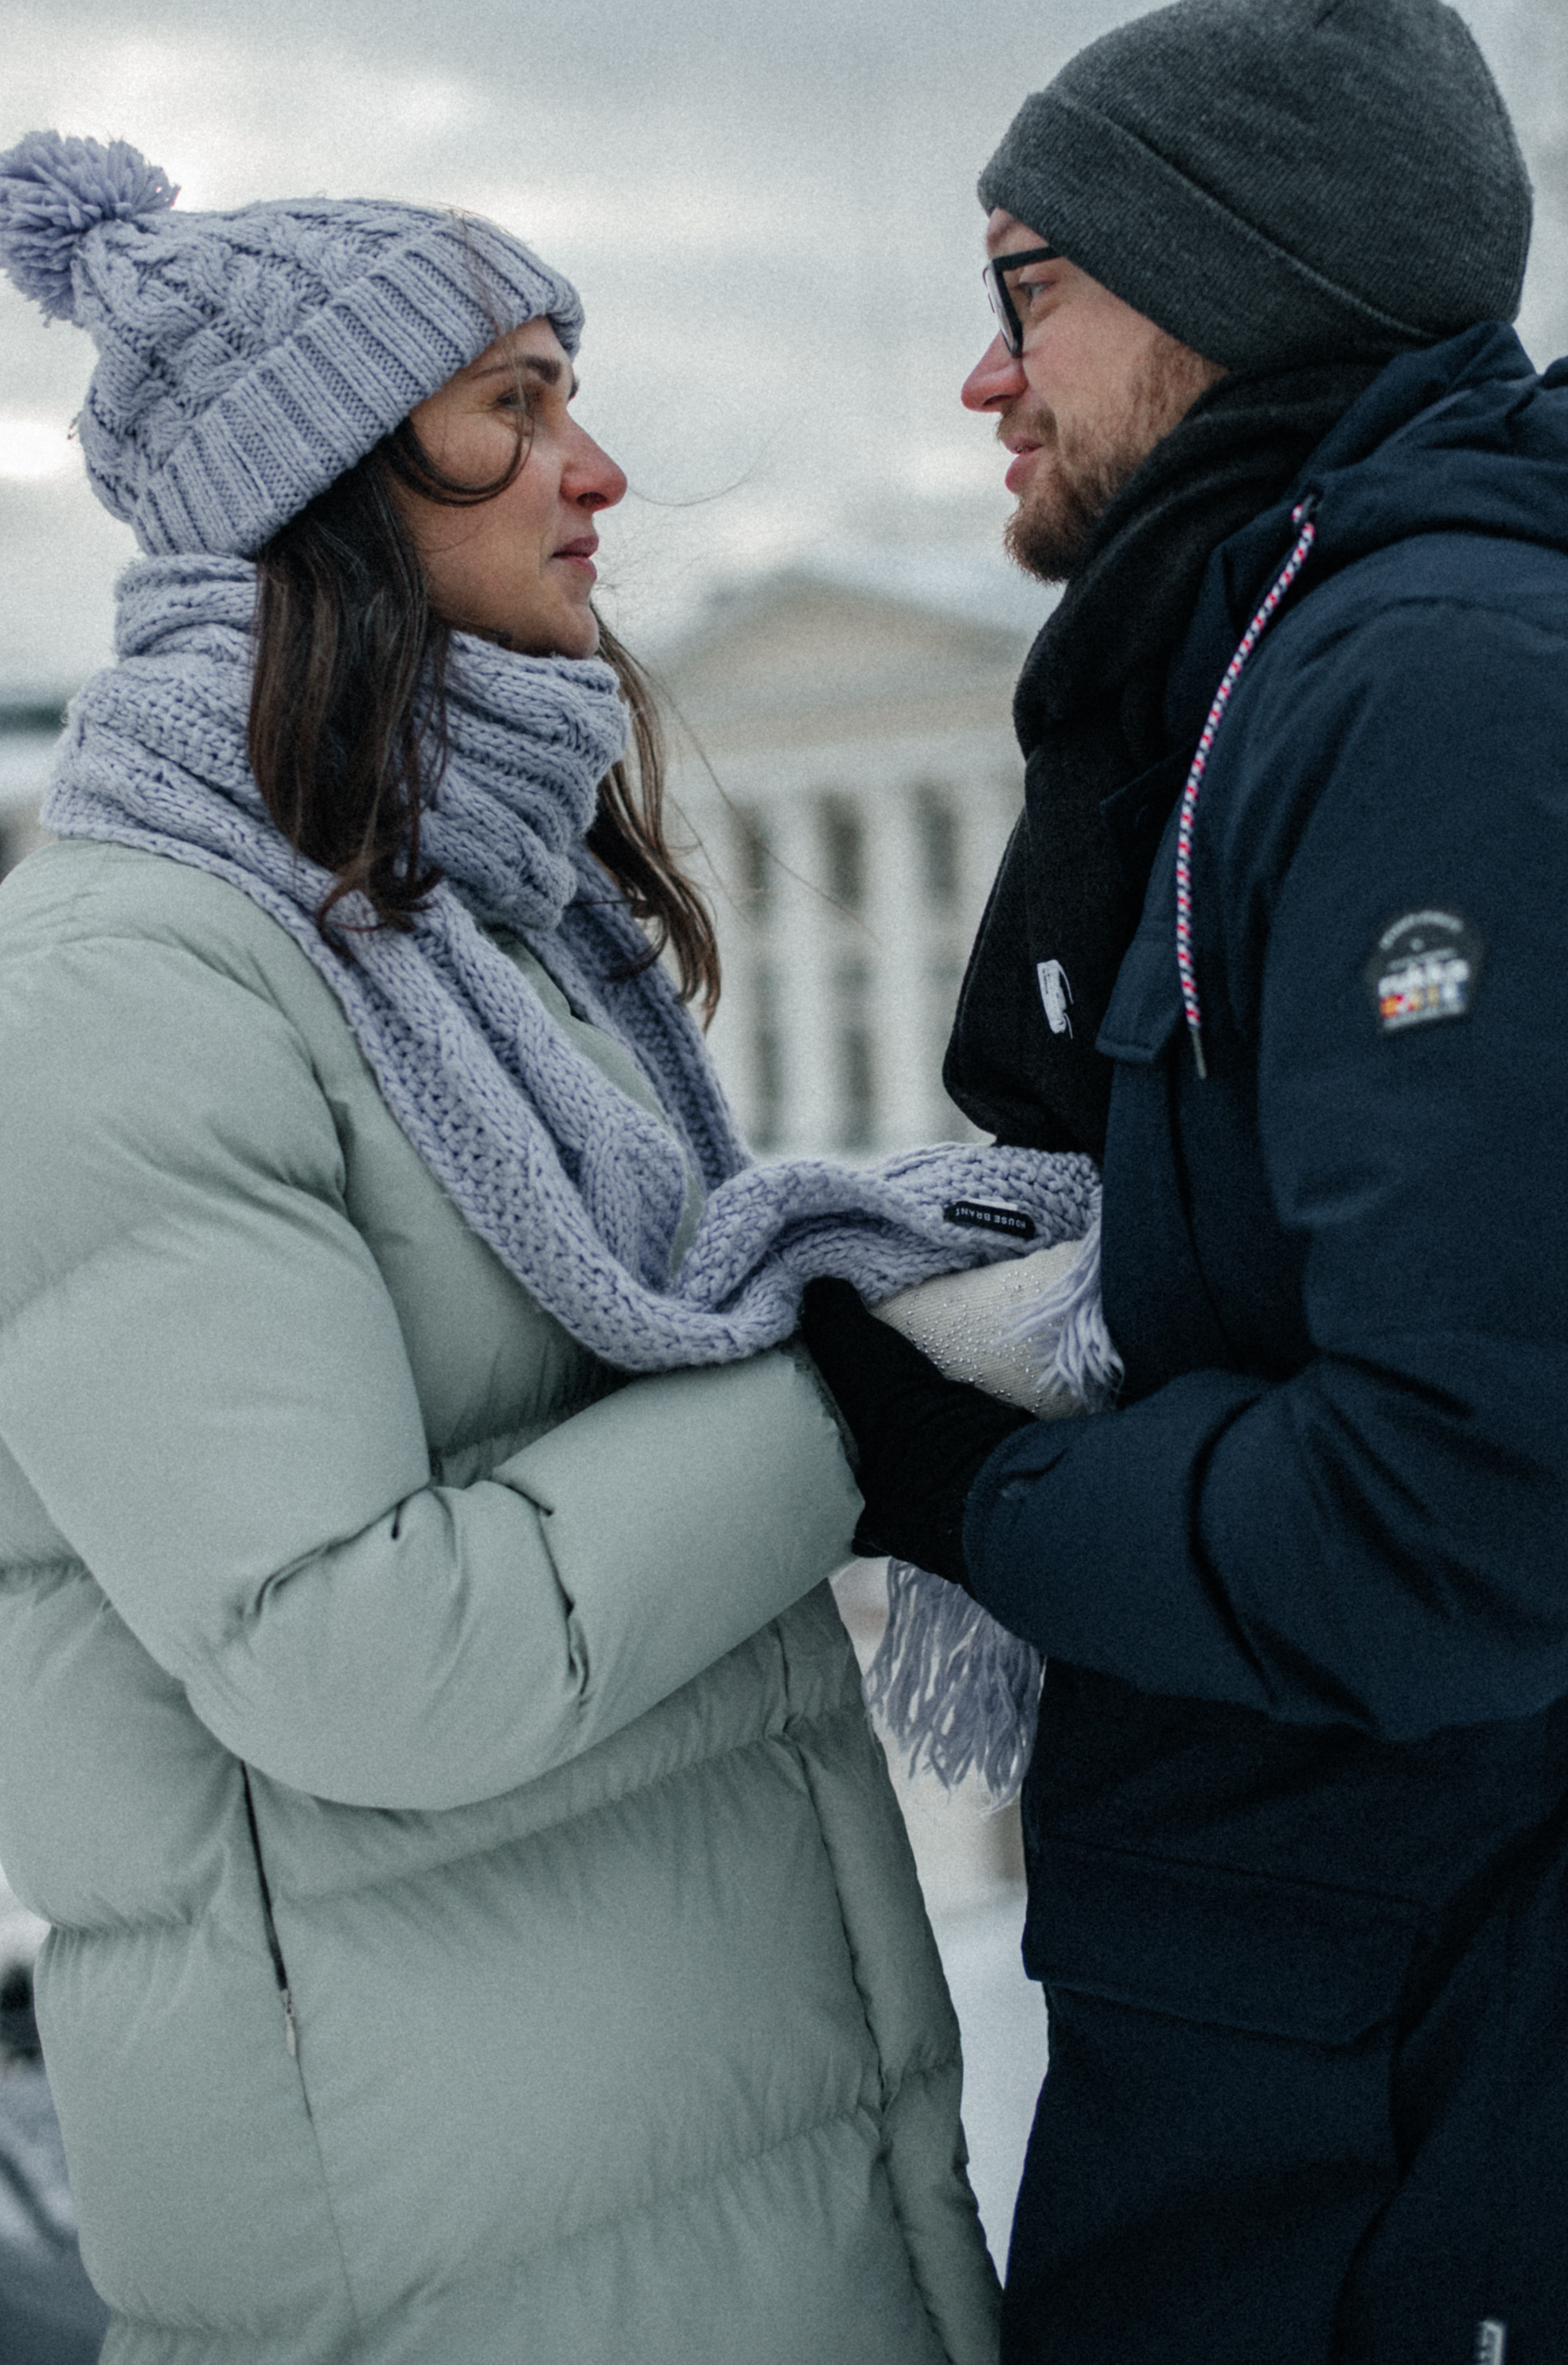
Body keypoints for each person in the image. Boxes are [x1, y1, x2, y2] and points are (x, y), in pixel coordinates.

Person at [798, 0, 1568, 2363]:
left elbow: (1514, 1489)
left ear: (1231, 280)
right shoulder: (1325, 665)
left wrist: (973, 1494)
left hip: (1474, 2084)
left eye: (1027, 293)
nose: (985, 374)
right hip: (1373, 2029)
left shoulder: (1459, 697)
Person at [0, 132, 1094, 2365]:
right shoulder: (126, 984)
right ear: (325, 481)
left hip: (702, 2170)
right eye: (511, 404)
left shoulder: (475, 912)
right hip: (445, 2252)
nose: (591, 468)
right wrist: (851, 1379)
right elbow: (357, 1647)